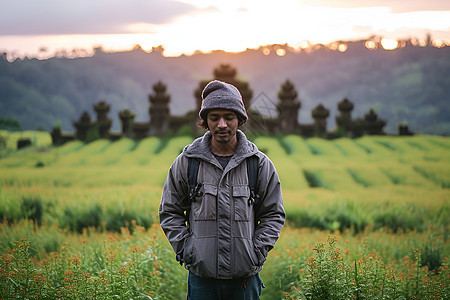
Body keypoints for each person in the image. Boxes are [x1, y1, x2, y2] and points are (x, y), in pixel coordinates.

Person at [159, 80, 285, 299]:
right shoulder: (188, 163)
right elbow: (170, 211)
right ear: (205, 121)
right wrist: (188, 251)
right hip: (202, 280)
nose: (222, 125)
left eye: (229, 117)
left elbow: (273, 214)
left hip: (244, 279)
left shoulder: (259, 164)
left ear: (240, 120)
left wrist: (256, 252)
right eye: (214, 118)